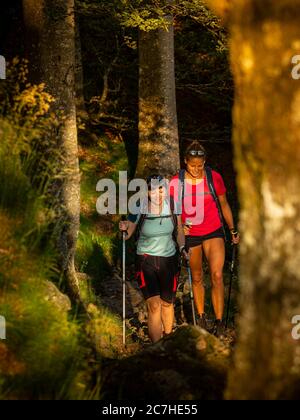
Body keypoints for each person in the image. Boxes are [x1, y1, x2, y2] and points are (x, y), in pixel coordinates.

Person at [170, 142, 240, 338]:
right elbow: (173, 212)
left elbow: (224, 205)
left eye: (200, 165)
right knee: (197, 276)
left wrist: (233, 230)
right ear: (185, 162)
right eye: (192, 165)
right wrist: (180, 228)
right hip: (191, 235)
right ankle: (201, 317)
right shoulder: (177, 182)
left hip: (213, 231)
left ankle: (218, 321)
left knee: (217, 275)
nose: (196, 169)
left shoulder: (213, 177)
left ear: (205, 162)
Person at [119, 175, 188, 343]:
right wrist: (123, 229)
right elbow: (127, 235)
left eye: (161, 188)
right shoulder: (139, 205)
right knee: (154, 305)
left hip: (168, 259)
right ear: (148, 192)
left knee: (167, 303)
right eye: (153, 189)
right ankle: (157, 348)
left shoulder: (172, 204)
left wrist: (182, 248)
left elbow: (179, 230)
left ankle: (168, 341)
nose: (157, 193)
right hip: (146, 260)